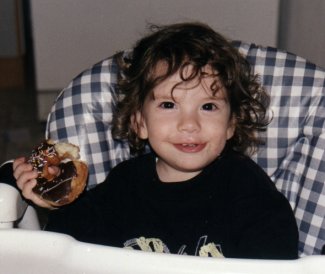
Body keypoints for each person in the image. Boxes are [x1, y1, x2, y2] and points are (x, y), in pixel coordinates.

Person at [13, 22, 298, 259]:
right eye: (168, 105)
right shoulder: (125, 185)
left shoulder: (246, 188)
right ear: (139, 122)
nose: (189, 124)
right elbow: (73, 252)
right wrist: (56, 204)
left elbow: (276, 258)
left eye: (208, 107)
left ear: (230, 125)